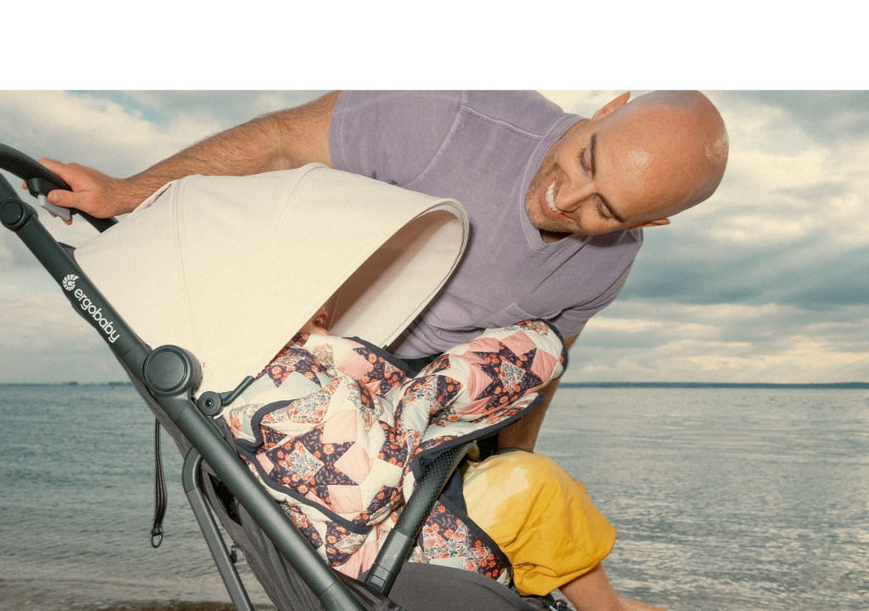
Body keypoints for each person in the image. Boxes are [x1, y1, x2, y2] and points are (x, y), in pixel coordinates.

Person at [39, 89, 728, 449]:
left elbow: (542, 371)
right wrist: (125, 194)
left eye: (606, 209)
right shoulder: (449, 109)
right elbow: (281, 141)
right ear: (608, 108)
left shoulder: (609, 264)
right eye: (586, 159)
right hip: (300, 353)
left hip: (421, 412)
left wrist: (513, 462)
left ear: (649, 224)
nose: (566, 199)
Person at [226, 301, 685, 611]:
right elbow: (357, 487)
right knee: (532, 487)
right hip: (391, 564)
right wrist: (427, 394)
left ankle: (594, 597)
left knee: (505, 478)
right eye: (316, 312)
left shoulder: (275, 387)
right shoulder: (284, 389)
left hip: (390, 542)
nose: (328, 317)